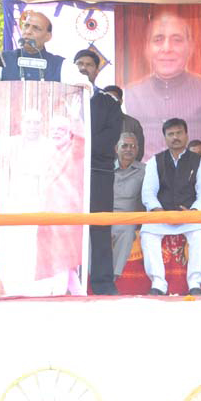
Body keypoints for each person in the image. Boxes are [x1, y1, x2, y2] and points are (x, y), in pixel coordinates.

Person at [0, 107, 56, 295]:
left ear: (42, 125)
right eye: (29, 122)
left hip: (40, 198)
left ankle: (34, 289)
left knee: (33, 244)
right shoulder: (15, 143)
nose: (32, 126)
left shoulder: (49, 145)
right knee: (11, 243)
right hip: (16, 197)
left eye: (36, 122)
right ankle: (14, 288)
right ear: (22, 124)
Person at [123, 11, 201, 159]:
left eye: (177, 40)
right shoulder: (129, 94)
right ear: (147, 48)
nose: (167, 48)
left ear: (190, 47)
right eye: (158, 40)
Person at [140, 118, 201, 296]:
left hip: (189, 215)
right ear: (165, 138)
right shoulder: (155, 161)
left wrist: (193, 212)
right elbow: (148, 192)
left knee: (200, 234)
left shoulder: (199, 161)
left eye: (179, 133)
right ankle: (158, 284)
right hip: (162, 214)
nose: (175, 137)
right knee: (147, 233)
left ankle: (195, 284)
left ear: (186, 135)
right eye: (170, 134)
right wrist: (159, 211)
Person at [35, 113, 88, 295]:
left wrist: (75, 119)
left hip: (67, 213)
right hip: (48, 212)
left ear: (69, 133)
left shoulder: (74, 150)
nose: (56, 133)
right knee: (59, 260)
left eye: (61, 130)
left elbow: (81, 138)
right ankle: (78, 294)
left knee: (62, 257)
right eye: (53, 129)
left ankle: (57, 295)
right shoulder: (47, 151)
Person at [0, 10, 83, 86]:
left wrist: (84, 88)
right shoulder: (2, 59)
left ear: (48, 36)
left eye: (36, 28)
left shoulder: (61, 65)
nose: (28, 31)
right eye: (26, 26)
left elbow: (83, 88)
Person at [88, 80, 124, 295]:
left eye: (88, 65)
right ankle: (67, 281)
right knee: (64, 226)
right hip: (64, 169)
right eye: (79, 64)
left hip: (98, 173)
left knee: (100, 227)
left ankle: (102, 284)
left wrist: (77, 140)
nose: (83, 68)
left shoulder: (108, 103)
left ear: (95, 71)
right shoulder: (60, 96)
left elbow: (108, 139)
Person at [111, 132, 145, 279]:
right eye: (124, 146)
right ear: (116, 149)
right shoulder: (105, 169)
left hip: (128, 218)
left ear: (137, 150)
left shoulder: (145, 170)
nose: (128, 149)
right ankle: (92, 274)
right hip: (106, 216)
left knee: (127, 231)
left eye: (133, 146)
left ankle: (113, 275)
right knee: (93, 233)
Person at [103, 85, 145, 160]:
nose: (110, 101)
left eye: (114, 98)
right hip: (101, 169)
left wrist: (126, 169)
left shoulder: (133, 124)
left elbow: (139, 152)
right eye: (107, 99)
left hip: (126, 170)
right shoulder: (96, 123)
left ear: (121, 101)